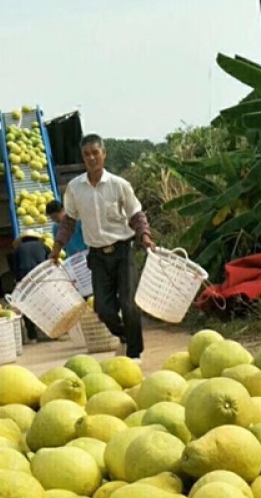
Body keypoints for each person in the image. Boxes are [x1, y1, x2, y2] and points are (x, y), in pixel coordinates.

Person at [49, 134, 154, 359]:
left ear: (103, 154)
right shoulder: (75, 188)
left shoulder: (119, 185)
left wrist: (144, 236)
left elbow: (136, 214)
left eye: (95, 153)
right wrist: (57, 246)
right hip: (97, 255)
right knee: (103, 309)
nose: (92, 158)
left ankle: (135, 354)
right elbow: (68, 221)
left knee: (129, 304)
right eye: (87, 154)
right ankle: (125, 335)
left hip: (123, 251)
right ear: (82, 158)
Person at [12, 232, 49, 341]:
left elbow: (15, 268)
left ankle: (32, 335)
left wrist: (18, 281)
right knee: (46, 304)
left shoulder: (18, 249)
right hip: (42, 278)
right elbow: (50, 261)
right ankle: (49, 331)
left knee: (28, 306)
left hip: (26, 280)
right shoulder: (44, 246)